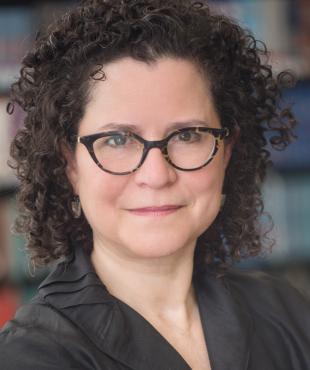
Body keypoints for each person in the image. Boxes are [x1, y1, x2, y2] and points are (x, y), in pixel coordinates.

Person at [0, 0, 309, 369]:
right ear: (71, 164)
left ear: (226, 152)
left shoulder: (288, 313)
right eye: (118, 140)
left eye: (187, 135)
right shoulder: (28, 357)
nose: (157, 175)